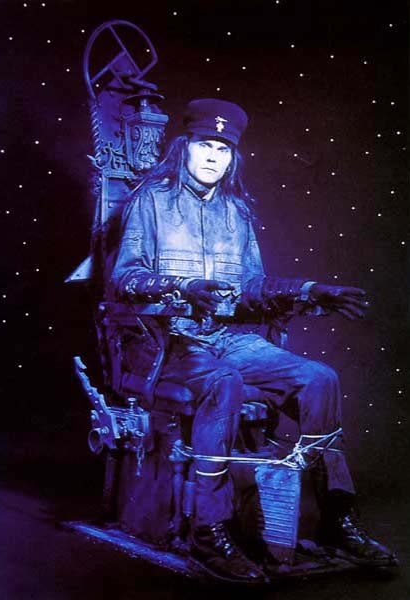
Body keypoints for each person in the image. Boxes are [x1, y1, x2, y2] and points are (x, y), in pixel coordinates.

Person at [111, 98, 394, 582]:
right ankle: (209, 529)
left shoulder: (235, 212)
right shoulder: (150, 202)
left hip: (225, 337)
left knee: (320, 378)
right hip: (165, 343)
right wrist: (181, 287)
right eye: (205, 144)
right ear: (184, 146)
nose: (213, 156)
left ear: (233, 157)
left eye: (223, 149)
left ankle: (337, 516)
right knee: (222, 382)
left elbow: (253, 286)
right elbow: (125, 277)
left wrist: (309, 290)